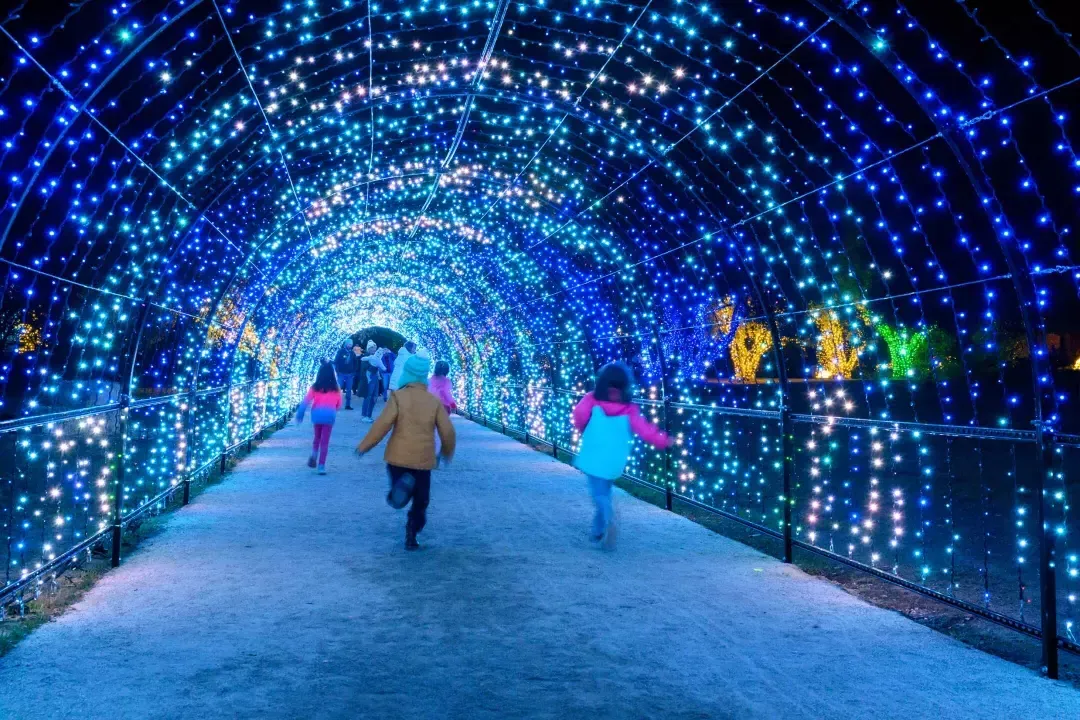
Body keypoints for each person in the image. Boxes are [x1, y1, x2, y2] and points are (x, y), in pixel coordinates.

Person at [355, 353, 456, 551]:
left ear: (406, 373)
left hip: (397, 457)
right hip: (423, 459)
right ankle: (412, 532)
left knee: (400, 491)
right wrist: (446, 452)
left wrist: (364, 446)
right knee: (421, 501)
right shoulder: (432, 401)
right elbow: (448, 431)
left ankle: (398, 492)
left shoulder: (398, 397)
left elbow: (382, 425)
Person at [571, 361, 671, 549]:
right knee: (605, 490)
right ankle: (598, 531)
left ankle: (609, 517)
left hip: (594, 452)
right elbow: (644, 429)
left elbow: (579, 415)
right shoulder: (629, 408)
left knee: (598, 494)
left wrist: (584, 428)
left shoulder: (592, 399)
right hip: (615, 456)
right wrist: (663, 440)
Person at [294, 361, 343, 475]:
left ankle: (314, 454)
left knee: (317, 437)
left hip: (317, 414)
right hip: (329, 415)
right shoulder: (336, 388)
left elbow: (306, 401)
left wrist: (300, 414)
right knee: (325, 441)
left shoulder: (315, 387)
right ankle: (321, 466)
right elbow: (339, 404)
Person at [359, 341, 384, 422]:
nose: (374, 349)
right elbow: (365, 368)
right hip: (369, 378)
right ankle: (364, 415)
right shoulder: (366, 357)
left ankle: (369, 415)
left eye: (375, 348)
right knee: (368, 396)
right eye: (372, 348)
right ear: (369, 348)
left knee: (375, 397)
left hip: (376, 378)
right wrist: (374, 366)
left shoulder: (376, 356)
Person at [333, 339, 357, 410]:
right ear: (346, 344)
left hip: (350, 374)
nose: (350, 345)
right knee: (338, 389)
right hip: (341, 373)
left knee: (349, 390)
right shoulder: (341, 351)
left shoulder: (352, 353)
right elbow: (336, 361)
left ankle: (347, 405)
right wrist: (337, 371)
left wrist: (354, 371)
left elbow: (356, 362)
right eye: (349, 344)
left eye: (351, 344)